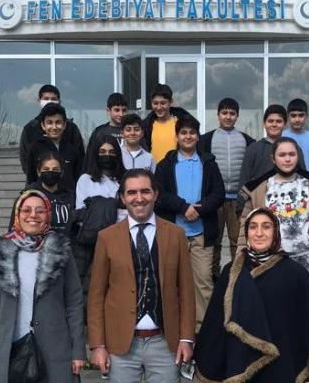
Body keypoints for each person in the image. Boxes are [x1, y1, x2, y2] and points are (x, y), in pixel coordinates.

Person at [195, 208, 309, 383]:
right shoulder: (230, 272)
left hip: (281, 366)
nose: (259, 233)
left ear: (276, 232)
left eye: (266, 227)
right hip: (239, 364)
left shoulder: (296, 274)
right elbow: (215, 323)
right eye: (253, 227)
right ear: (247, 233)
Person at [87, 169, 196, 383]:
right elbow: (96, 296)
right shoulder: (106, 237)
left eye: (145, 191)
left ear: (155, 194)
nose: (139, 198)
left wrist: (186, 338)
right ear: (122, 197)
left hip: (165, 342)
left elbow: (186, 291)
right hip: (120, 344)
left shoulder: (176, 235)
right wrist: (98, 345)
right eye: (131, 192)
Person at [0, 190, 86, 383]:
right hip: (7, 350)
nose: (33, 215)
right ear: (17, 214)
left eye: (40, 211)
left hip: (53, 350)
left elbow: (74, 303)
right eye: (26, 210)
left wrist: (78, 350)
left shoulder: (61, 251)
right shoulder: (1, 251)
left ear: (48, 215)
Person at [238, 137, 309, 297]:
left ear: (298, 156)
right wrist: (241, 260)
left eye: (292, 154)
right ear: (273, 158)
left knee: (304, 308)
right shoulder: (259, 189)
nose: (287, 159)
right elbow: (246, 230)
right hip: (270, 263)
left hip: (307, 263)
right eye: (282, 155)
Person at [155, 116, 225, 330]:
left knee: (203, 282)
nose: (188, 136)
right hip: (174, 233)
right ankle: (173, 326)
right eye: (183, 133)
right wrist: (183, 207)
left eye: (192, 133)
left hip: (201, 234)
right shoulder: (165, 165)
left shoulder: (208, 163)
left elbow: (218, 194)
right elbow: (159, 195)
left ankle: (204, 329)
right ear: (177, 136)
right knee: (172, 281)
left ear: (197, 136)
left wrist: (198, 210)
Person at [198, 97, 255, 277]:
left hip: (238, 200)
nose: (228, 117)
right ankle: (214, 277)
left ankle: (236, 277)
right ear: (218, 115)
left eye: (232, 113)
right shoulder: (206, 140)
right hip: (215, 199)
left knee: (237, 241)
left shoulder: (247, 140)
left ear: (237, 116)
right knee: (214, 240)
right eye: (224, 113)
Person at [73, 135, 127, 294]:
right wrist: (113, 207)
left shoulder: (124, 180)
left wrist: (98, 207)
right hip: (91, 245)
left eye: (111, 152)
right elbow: (83, 216)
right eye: (102, 151)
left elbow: (128, 213)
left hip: (121, 242)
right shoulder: (85, 180)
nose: (107, 155)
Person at [19, 84, 85, 173]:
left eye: (53, 99)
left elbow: (80, 158)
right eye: (46, 98)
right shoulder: (30, 129)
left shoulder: (71, 128)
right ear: (39, 101)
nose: (49, 101)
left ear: (59, 102)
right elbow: (25, 160)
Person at [10, 151, 75, 237]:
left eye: (55, 170)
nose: (50, 172)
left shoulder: (70, 196)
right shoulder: (27, 197)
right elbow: (14, 228)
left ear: (62, 173)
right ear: (39, 172)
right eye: (46, 169)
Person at [25, 102, 81, 188]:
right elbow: (31, 178)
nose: (54, 127)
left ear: (64, 125)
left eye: (58, 122)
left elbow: (78, 178)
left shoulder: (72, 150)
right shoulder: (35, 148)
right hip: (42, 195)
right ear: (43, 125)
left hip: (69, 195)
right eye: (49, 123)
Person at [238, 103, 288, 191]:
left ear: (285, 124)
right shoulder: (253, 149)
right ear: (264, 124)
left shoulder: (293, 149)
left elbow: (302, 178)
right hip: (259, 197)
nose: (274, 124)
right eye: (270, 121)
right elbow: (244, 181)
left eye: (279, 121)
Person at [142, 83, 191, 162]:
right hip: (154, 168)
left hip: (176, 167)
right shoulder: (147, 126)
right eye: (155, 103)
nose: (159, 107)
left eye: (163, 103)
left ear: (170, 102)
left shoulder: (181, 124)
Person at [282, 98, 309, 177]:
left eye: (301, 115)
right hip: (284, 180)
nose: (297, 119)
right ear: (288, 116)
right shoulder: (281, 136)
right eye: (293, 116)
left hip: (307, 182)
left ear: (306, 116)